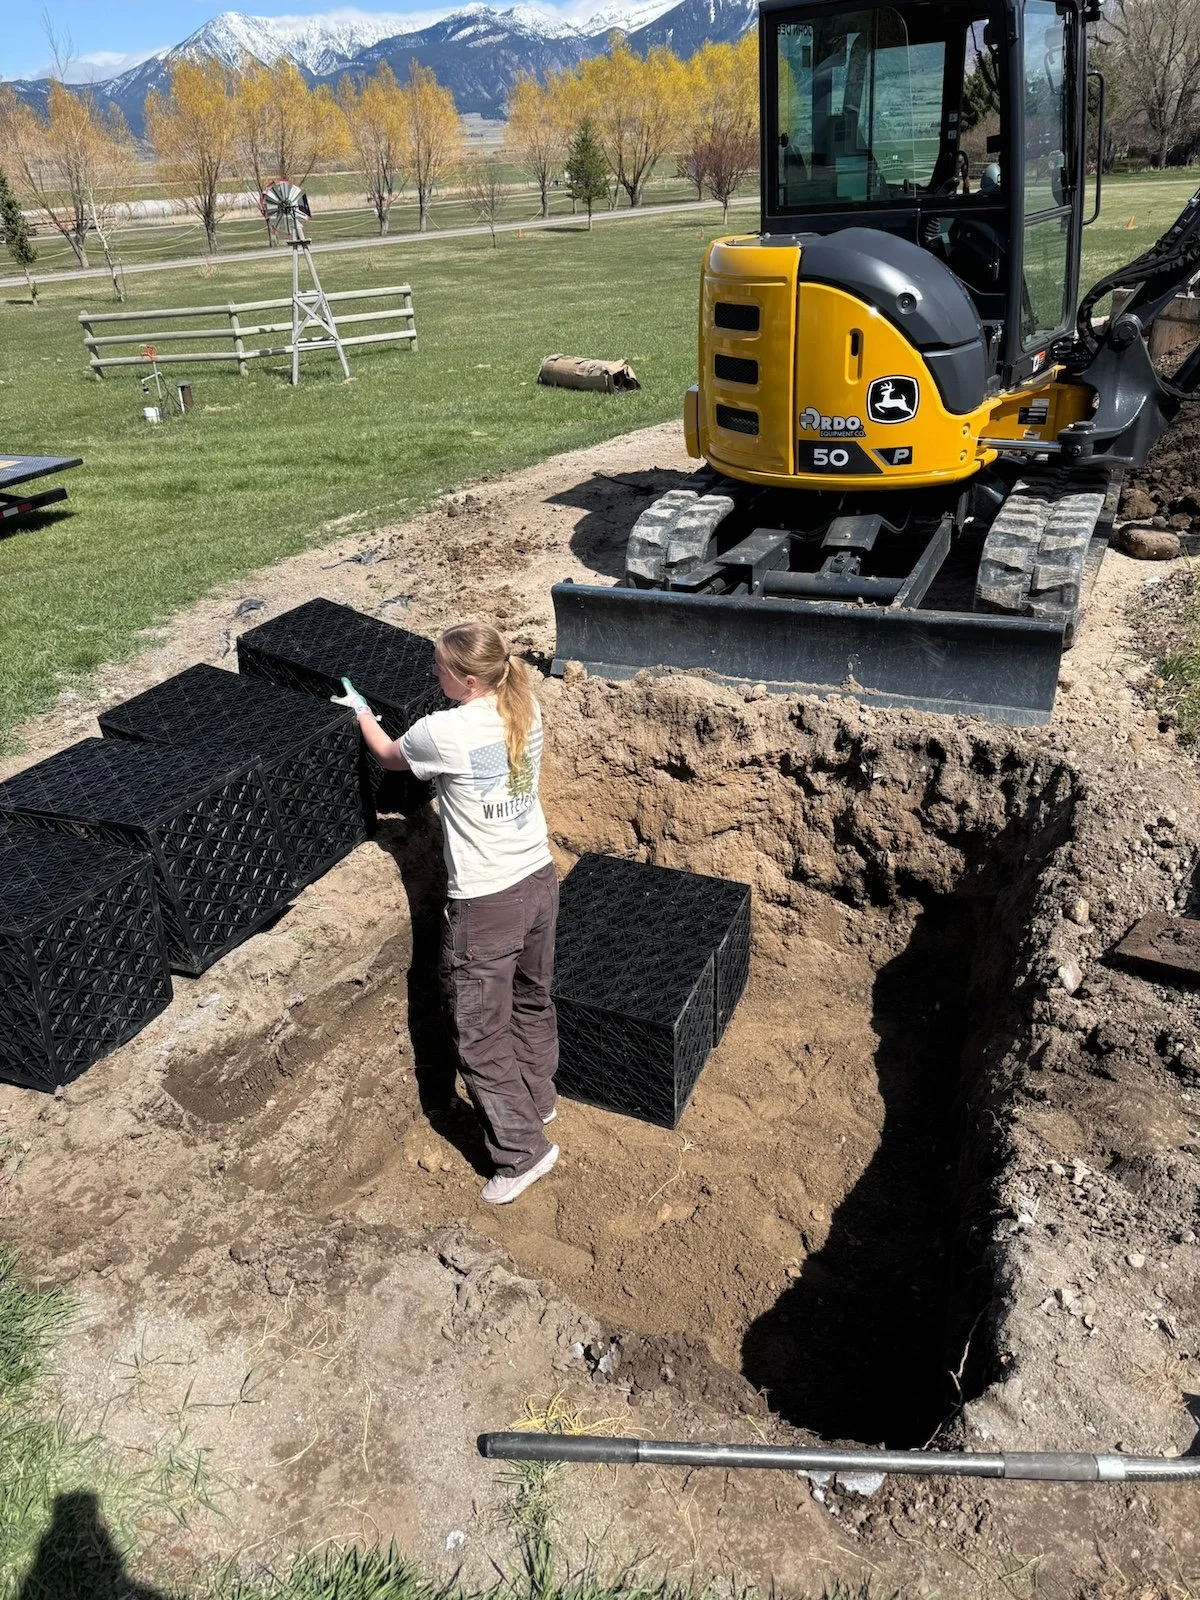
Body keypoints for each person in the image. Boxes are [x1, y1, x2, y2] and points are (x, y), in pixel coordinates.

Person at [333, 623, 560, 1205]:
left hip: (487, 902)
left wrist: (360, 709)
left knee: (479, 1035)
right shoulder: (524, 702)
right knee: (532, 998)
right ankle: (538, 1099)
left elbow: (387, 757)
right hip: (538, 877)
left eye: (439, 668)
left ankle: (523, 1152)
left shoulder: (445, 730)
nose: (432, 675)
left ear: (465, 679)